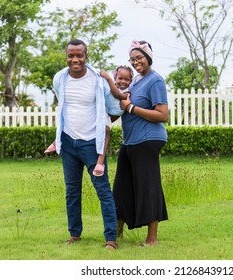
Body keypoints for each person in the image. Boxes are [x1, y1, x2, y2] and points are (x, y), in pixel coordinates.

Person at [52, 39, 123, 249]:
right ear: (66, 57)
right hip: (68, 142)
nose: (75, 59)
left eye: (79, 55)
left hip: (92, 144)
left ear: (86, 56)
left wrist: (103, 127)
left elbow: (114, 109)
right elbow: (63, 106)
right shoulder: (59, 79)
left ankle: (111, 239)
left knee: (103, 191)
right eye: (71, 55)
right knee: (72, 191)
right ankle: (75, 233)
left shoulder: (98, 80)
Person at [113, 39, 169, 246]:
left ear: (148, 58)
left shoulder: (155, 81)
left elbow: (162, 114)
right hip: (130, 141)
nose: (136, 62)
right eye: (133, 59)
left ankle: (152, 239)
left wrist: (131, 108)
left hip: (148, 140)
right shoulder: (135, 81)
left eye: (140, 58)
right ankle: (115, 234)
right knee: (121, 187)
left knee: (148, 187)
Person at [45, 67, 131, 177]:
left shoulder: (127, 91)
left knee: (106, 131)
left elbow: (118, 96)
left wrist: (108, 79)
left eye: (127, 79)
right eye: (120, 78)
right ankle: (56, 142)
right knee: (71, 121)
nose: (123, 82)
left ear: (130, 81)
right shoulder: (107, 84)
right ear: (116, 77)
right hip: (101, 111)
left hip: (106, 114)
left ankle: (100, 162)